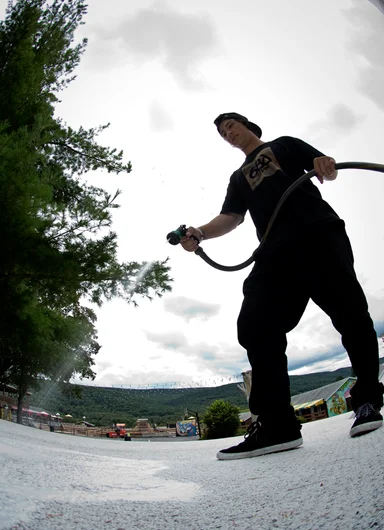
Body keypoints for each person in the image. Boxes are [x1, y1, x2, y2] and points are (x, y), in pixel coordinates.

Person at [180, 112, 383, 461]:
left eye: (233, 127)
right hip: (274, 253)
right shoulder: (238, 178)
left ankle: (366, 401)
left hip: (318, 234)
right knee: (256, 323)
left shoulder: (284, 145)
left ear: (249, 127)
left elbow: (323, 166)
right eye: (224, 133)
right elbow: (230, 217)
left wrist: (325, 165)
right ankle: (277, 425)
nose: (229, 134)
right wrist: (199, 232)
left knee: (350, 313)